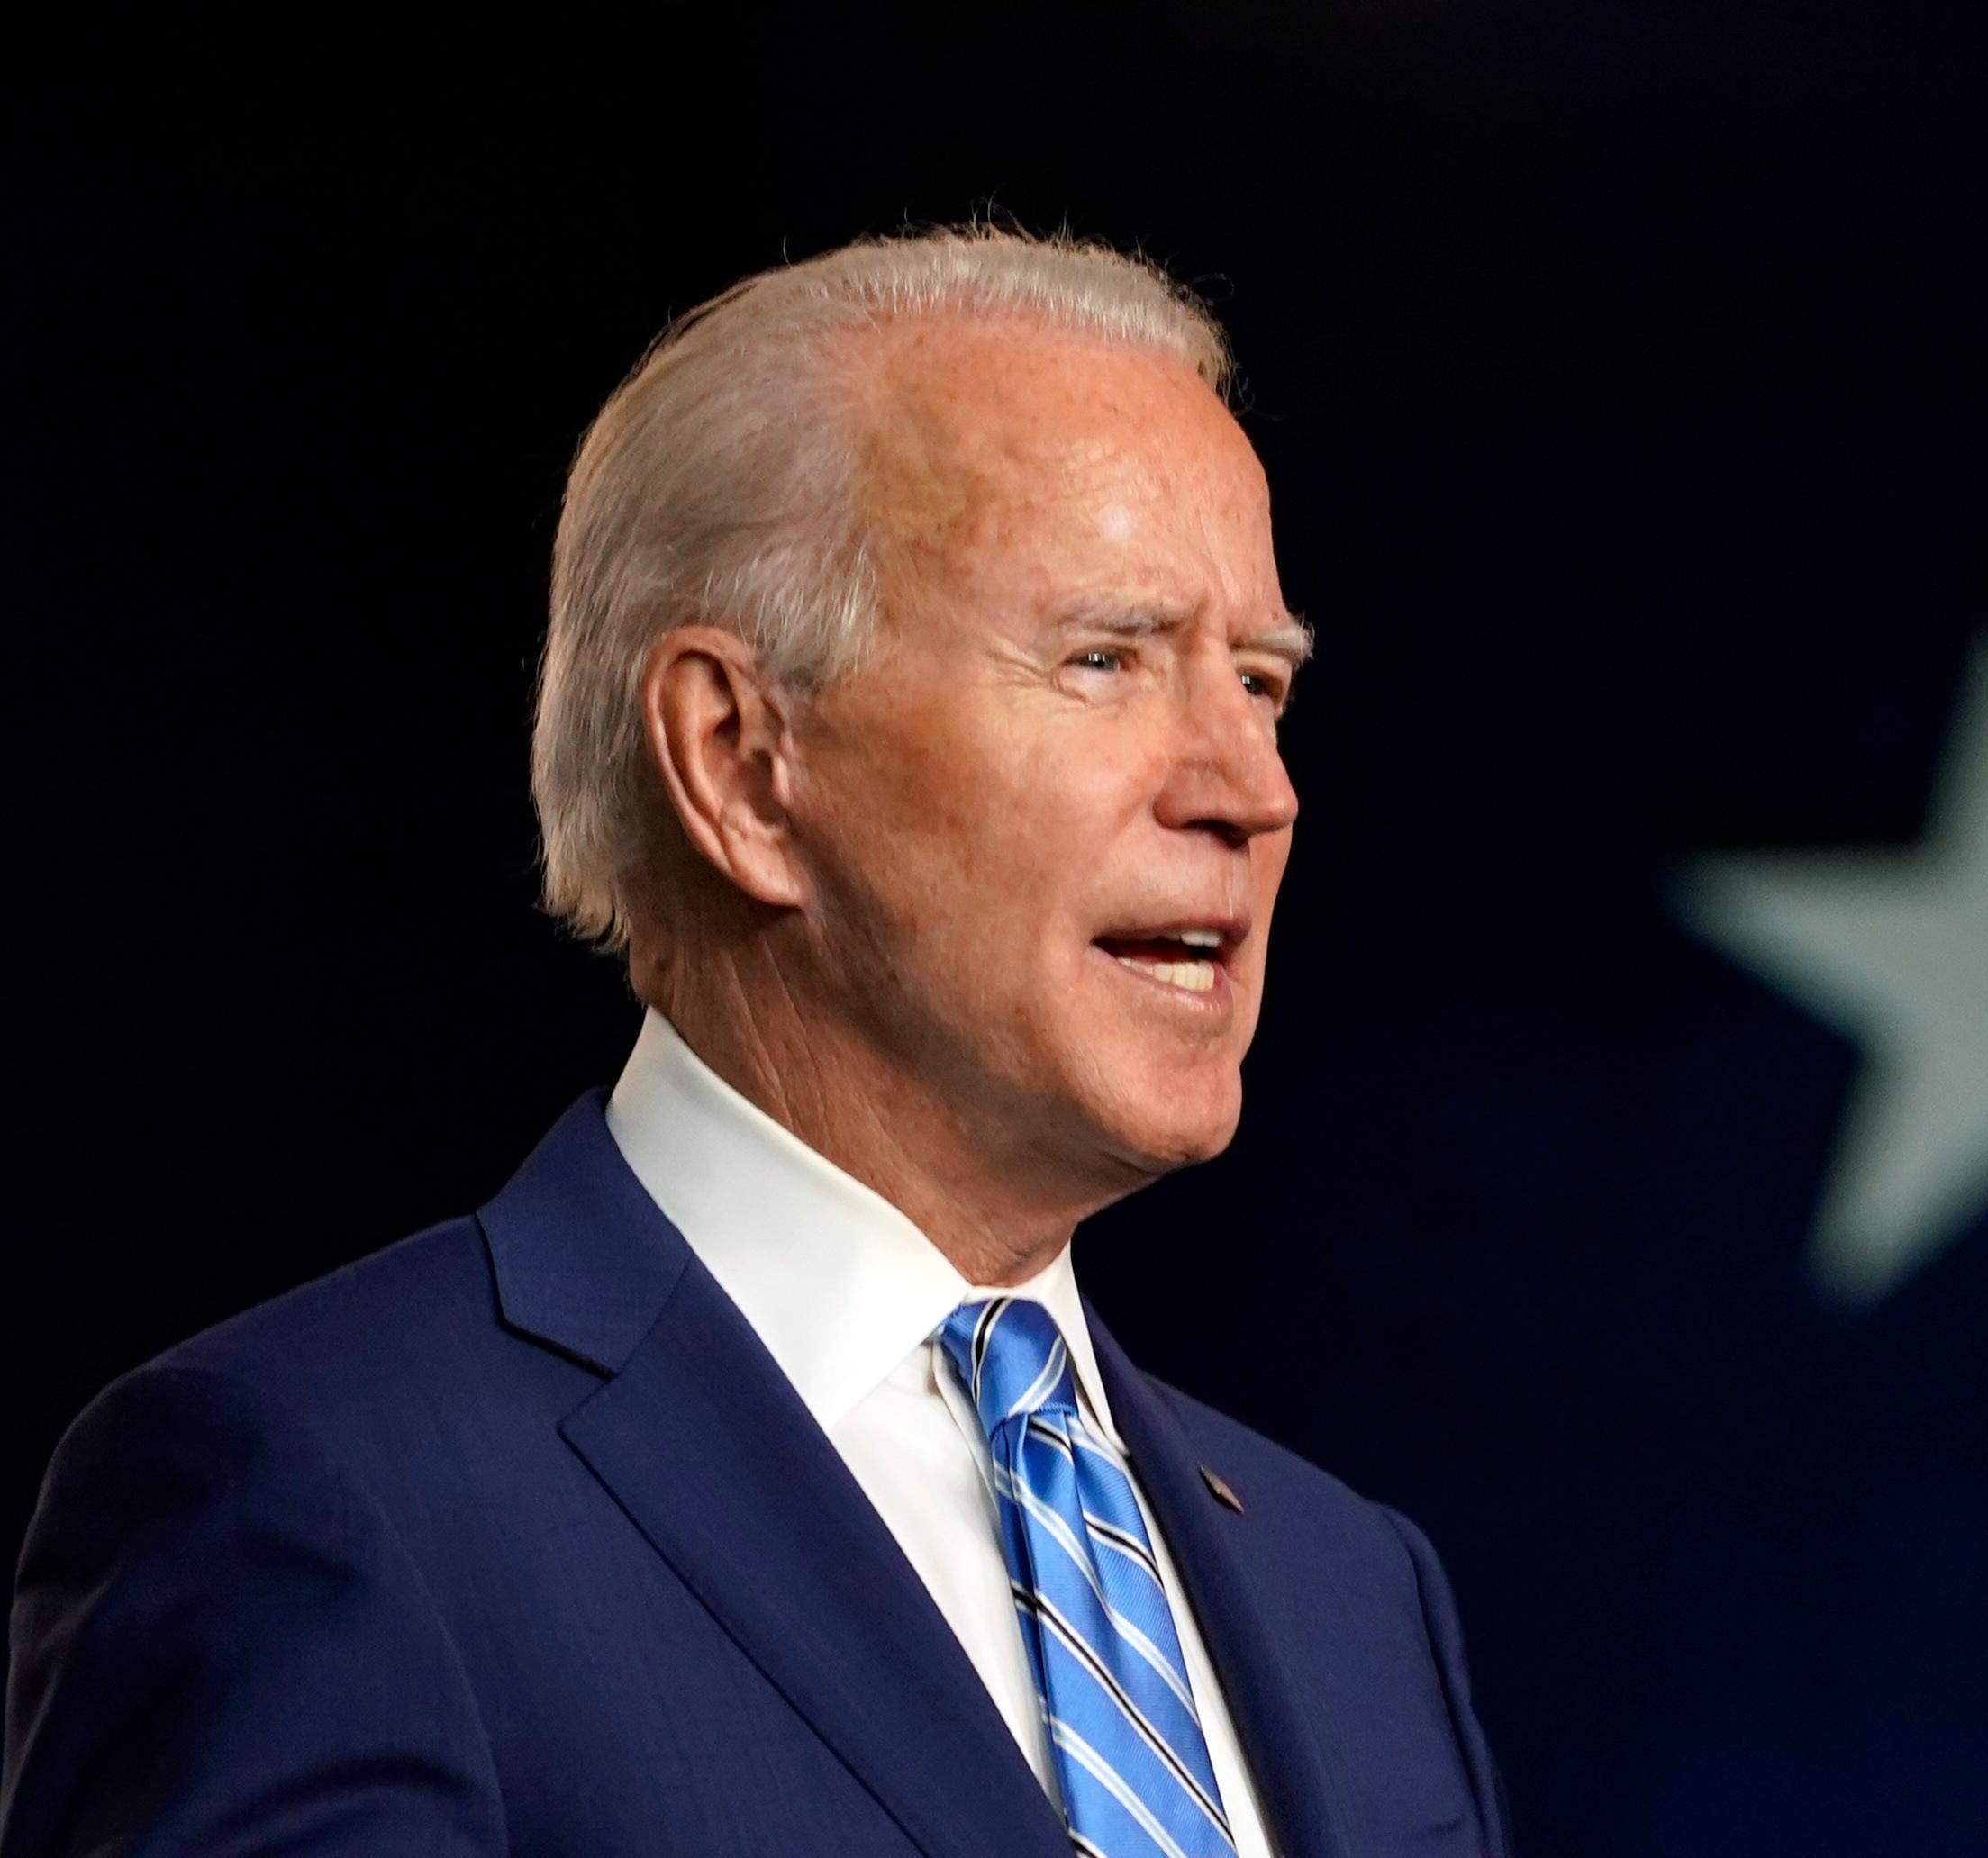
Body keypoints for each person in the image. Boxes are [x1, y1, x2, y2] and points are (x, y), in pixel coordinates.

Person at [1, 230, 1507, 1858]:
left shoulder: (1356, 1590)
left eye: (1265, 685)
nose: (1250, 788)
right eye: (1105, 661)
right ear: (740, 762)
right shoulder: (323, 1494)